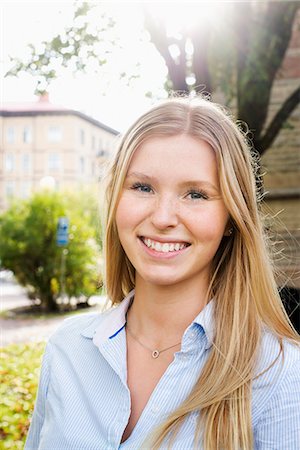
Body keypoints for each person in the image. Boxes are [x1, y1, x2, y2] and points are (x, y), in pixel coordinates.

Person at [25, 96, 300, 450]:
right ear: (115, 199)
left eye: (196, 195)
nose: (163, 217)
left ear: (232, 217)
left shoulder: (278, 374)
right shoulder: (67, 349)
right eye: (143, 187)